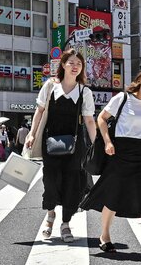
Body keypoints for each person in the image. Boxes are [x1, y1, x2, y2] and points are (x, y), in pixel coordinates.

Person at [81, 67, 141, 261]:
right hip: (119, 151)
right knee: (113, 198)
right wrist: (107, 141)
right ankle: (104, 235)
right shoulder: (122, 98)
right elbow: (102, 119)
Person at [24, 49, 97, 243]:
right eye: (71, 62)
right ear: (63, 64)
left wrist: (97, 144)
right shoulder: (50, 86)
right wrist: (32, 134)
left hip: (75, 145)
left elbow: (89, 120)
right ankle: (50, 215)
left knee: (72, 183)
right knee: (50, 180)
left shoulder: (84, 91)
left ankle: (65, 224)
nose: (75, 66)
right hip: (51, 142)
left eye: (79, 64)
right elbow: (39, 112)